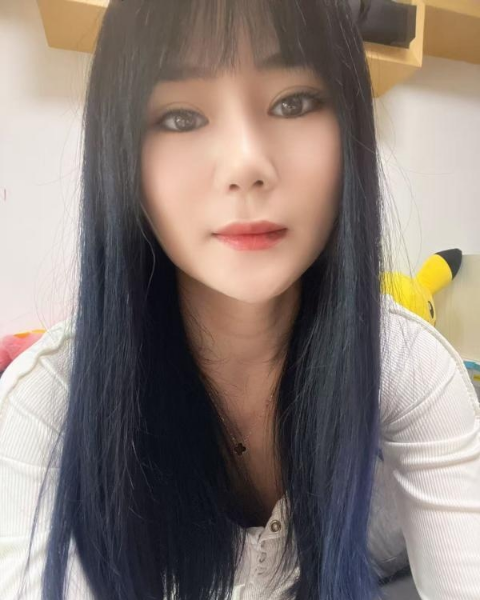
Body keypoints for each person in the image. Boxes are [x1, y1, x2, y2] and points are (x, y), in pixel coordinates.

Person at [1, 1, 479, 599]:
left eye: (294, 103)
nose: (247, 162)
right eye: (181, 116)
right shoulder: (44, 410)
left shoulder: (408, 368)